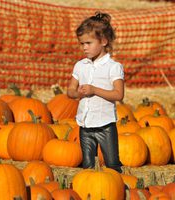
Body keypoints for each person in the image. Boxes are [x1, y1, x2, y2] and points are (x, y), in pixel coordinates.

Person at [67, 11, 124, 173]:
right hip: (85, 125)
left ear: (104, 41)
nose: (84, 47)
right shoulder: (80, 65)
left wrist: (94, 90)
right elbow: (70, 91)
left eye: (88, 43)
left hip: (105, 125)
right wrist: (77, 93)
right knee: (88, 166)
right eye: (82, 44)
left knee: (112, 164)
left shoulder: (113, 67)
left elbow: (118, 94)